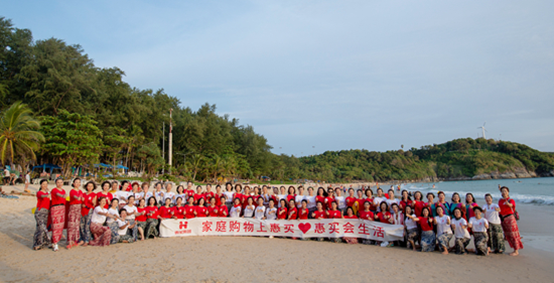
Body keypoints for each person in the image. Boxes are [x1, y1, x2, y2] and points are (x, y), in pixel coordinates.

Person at [499, 186, 523, 256]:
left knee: (513, 234)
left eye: (505, 191)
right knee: (507, 235)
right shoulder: (500, 200)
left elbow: (511, 205)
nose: (504, 192)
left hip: (510, 218)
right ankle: (514, 248)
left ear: (508, 192)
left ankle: (516, 250)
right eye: (502, 191)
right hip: (503, 219)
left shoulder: (510, 200)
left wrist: (508, 204)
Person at [33, 179, 51, 250]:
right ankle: (38, 243)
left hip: (46, 212)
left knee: (42, 228)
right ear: (41, 185)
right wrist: (47, 194)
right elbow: (42, 196)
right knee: (41, 228)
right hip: (40, 212)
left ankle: (43, 242)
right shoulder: (39, 192)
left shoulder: (47, 193)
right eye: (43, 184)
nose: (45, 185)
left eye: (46, 184)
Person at [50, 178, 67, 251]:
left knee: (60, 226)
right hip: (55, 208)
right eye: (58, 182)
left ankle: (53, 242)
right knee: (55, 226)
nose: (60, 184)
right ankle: (55, 243)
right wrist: (62, 195)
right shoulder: (54, 190)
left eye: (61, 182)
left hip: (62, 208)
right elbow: (57, 194)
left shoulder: (63, 190)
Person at [78, 181, 97, 247]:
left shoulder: (94, 195)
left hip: (89, 210)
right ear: (86, 187)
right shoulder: (83, 194)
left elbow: (94, 204)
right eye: (88, 186)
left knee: (87, 225)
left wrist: (90, 203)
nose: (90, 187)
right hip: (82, 211)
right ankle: (82, 239)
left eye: (91, 186)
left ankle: (87, 240)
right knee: (81, 225)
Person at [66, 178, 83, 249]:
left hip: (79, 208)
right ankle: (70, 241)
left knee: (77, 224)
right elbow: (74, 196)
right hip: (73, 208)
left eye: (79, 182)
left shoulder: (81, 191)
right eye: (76, 182)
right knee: (71, 224)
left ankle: (76, 240)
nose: (77, 184)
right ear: (73, 183)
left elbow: (81, 198)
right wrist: (78, 197)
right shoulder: (72, 191)